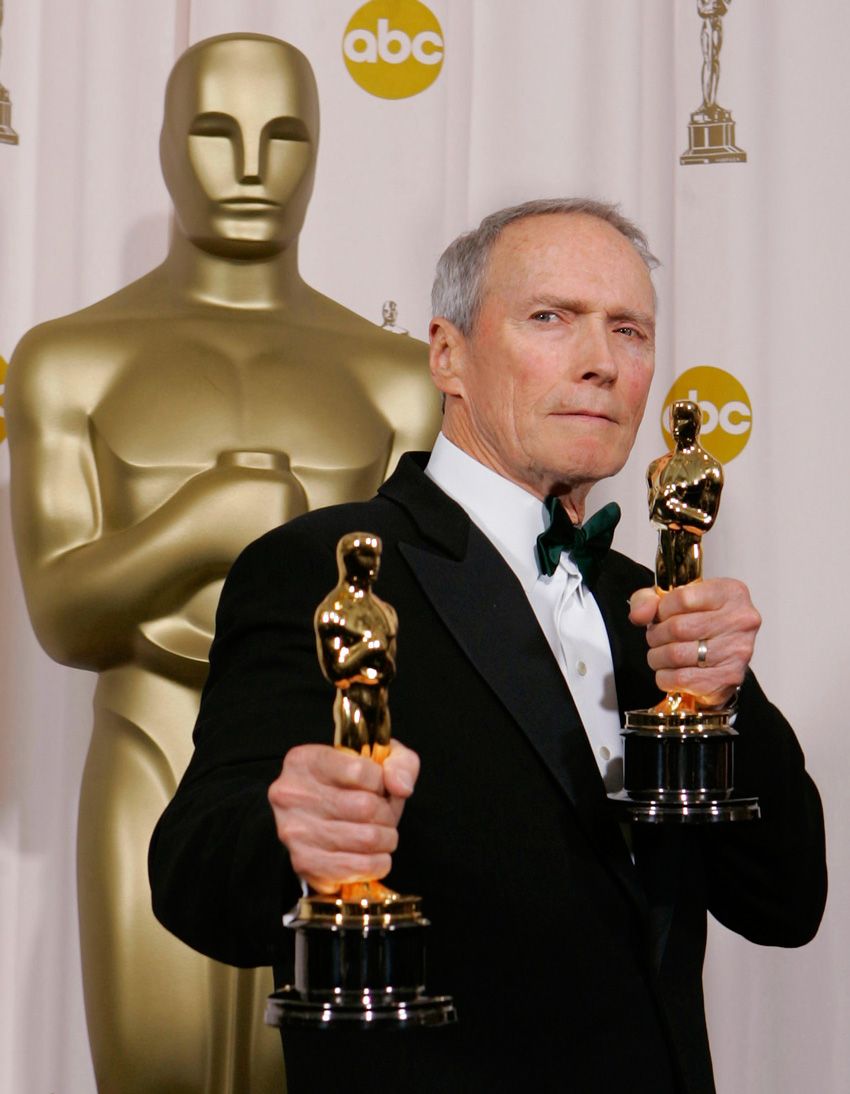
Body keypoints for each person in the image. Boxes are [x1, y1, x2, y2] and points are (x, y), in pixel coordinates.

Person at [149, 198, 826, 1093]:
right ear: (446, 354)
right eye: (551, 318)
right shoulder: (326, 569)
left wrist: (726, 704)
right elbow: (193, 874)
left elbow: (784, 904)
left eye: (629, 330)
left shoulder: (651, 605)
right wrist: (291, 832)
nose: (600, 363)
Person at [6, 33, 438, 1094]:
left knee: (317, 1070)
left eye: (284, 135)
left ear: (320, 152)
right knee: (155, 1070)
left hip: (334, 776)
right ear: (162, 148)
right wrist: (201, 524)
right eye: (213, 133)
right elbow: (63, 616)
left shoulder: (396, 379)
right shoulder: (70, 357)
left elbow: (425, 622)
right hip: (146, 748)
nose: (250, 167)